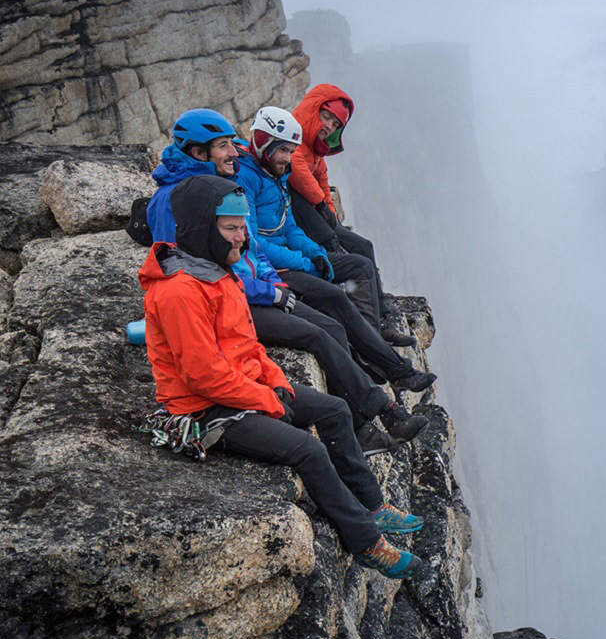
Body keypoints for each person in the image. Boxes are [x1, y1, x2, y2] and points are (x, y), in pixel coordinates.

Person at [138, 173, 423, 579]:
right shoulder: (180, 292)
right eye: (232, 228)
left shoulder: (218, 272)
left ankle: (374, 506)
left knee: (335, 410)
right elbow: (203, 376)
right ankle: (367, 543)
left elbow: (248, 344)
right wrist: (267, 400)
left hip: (243, 387)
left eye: (242, 226)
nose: (242, 236)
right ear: (204, 227)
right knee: (308, 451)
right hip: (205, 410)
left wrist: (275, 381)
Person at [148, 108, 428, 451]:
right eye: (224, 146)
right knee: (319, 334)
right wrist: (269, 289)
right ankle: (374, 420)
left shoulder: (220, 189)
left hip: (252, 293)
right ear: (197, 152)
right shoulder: (175, 202)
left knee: (332, 325)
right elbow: (189, 271)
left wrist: (276, 281)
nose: (234, 152)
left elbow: (250, 249)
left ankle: (379, 413)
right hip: (231, 307)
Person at [235, 105, 435, 399]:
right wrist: (306, 262)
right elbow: (253, 243)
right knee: (336, 298)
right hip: (271, 268)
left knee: (359, 265)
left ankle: (372, 345)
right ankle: (396, 370)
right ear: (265, 143)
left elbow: (289, 227)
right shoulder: (246, 178)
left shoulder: (275, 176)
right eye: (284, 151)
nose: (288, 159)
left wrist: (316, 253)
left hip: (289, 259)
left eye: (291, 152)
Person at [284, 84, 407, 343]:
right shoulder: (291, 135)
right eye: (326, 116)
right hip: (299, 221)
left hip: (315, 219)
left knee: (364, 247)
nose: (329, 126)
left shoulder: (315, 149)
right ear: (313, 109)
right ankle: (371, 332)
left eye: (336, 124)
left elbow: (321, 177)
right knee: (353, 260)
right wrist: (320, 205)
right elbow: (296, 169)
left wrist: (328, 210)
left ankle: (382, 316)